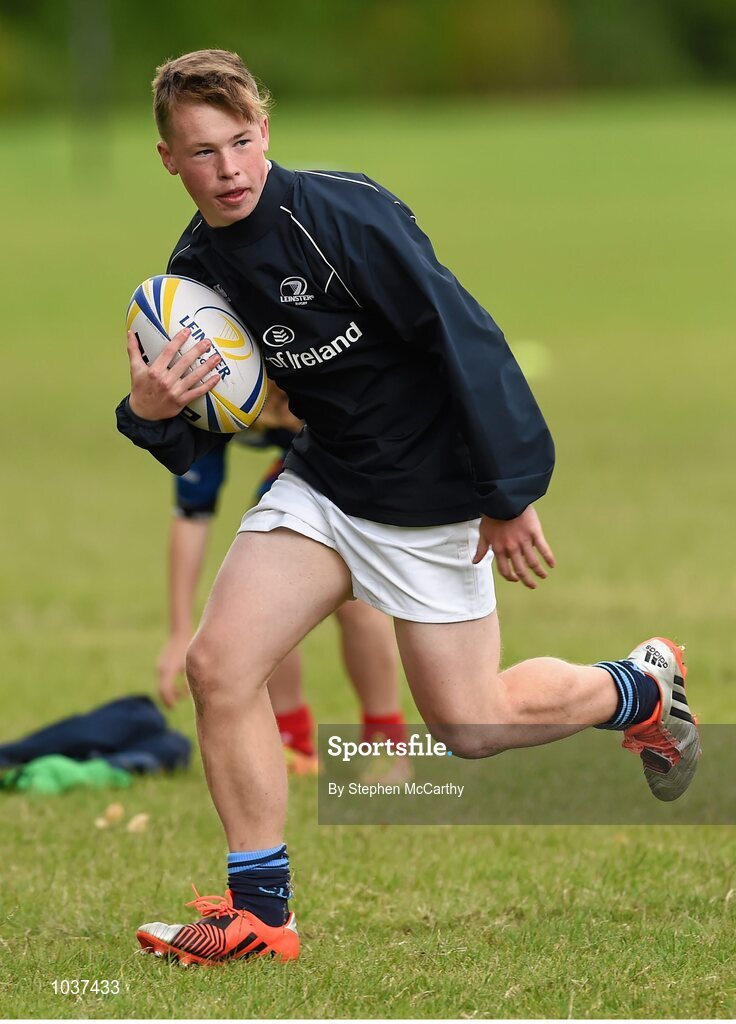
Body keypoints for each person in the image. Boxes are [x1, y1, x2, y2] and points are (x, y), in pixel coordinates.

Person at [117, 49, 700, 966]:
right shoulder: (195, 271)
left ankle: (640, 686)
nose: (226, 169)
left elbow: (460, 333)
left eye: (239, 143)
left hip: (430, 500)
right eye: (201, 152)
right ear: (168, 159)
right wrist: (147, 413)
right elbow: (207, 428)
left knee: (470, 728)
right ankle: (261, 913)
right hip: (325, 486)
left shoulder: (343, 214)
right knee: (220, 668)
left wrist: (505, 494)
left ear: (264, 131)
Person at [156, 381, 407, 775]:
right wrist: (178, 630)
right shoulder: (212, 398)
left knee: (357, 598)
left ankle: (386, 738)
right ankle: (293, 742)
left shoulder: (323, 369)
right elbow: (191, 515)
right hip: (301, 458)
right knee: (268, 592)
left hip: (369, 452)